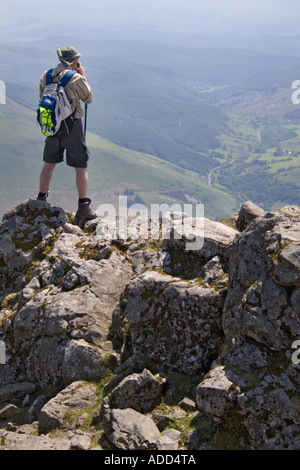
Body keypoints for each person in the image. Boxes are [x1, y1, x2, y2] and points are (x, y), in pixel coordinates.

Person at [37, 45, 97, 222]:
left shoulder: (46, 75)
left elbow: (42, 98)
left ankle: (41, 199)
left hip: (52, 125)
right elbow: (88, 98)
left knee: (49, 163)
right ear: (74, 61)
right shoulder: (75, 77)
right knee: (81, 166)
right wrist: (83, 75)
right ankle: (83, 207)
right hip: (72, 126)